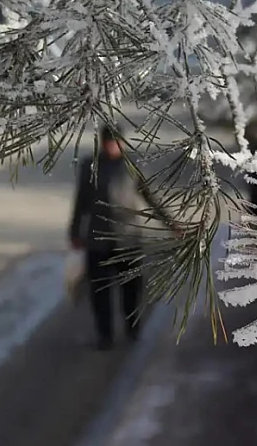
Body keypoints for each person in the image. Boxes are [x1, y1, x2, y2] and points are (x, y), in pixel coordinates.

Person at [68, 124, 174, 350]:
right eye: (107, 143)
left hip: (128, 237)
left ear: (122, 143)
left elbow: (151, 197)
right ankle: (104, 335)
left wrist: (171, 222)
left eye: (115, 143)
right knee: (100, 291)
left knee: (132, 288)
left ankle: (132, 330)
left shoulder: (132, 165)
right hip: (98, 238)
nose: (111, 147)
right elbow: (82, 201)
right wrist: (75, 231)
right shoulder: (91, 166)